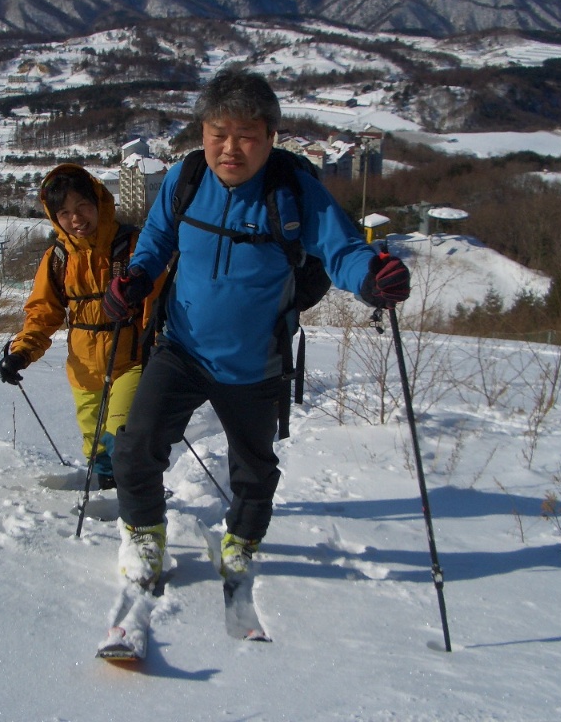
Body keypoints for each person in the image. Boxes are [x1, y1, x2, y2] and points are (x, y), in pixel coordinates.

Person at [101, 68, 411, 587]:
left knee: (254, 469)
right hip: (181, 347)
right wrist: (134, 279)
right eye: (217, 134)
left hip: (255, 362)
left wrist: (373, 280)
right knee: (136, 445)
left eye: (245, 135)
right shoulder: (185, 179)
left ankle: (242, 538)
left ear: (270, 137)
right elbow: (155, 242)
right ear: (202, 134)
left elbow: (343, 251)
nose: (229, 148)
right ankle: (143, 533)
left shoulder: (294, 193)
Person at [0, 164, 161, 490]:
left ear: (98, 201)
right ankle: (106, 490)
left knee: (123, 433)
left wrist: (156, 351)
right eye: (65, 212)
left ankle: (135, 498)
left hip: (130, 360)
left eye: (83, 206)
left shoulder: (131, 245)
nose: (76, 218)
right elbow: (44, 312)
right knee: (96, 441)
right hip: (83, 366)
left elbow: (155, 306)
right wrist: (22, 352)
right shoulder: (58, 257)